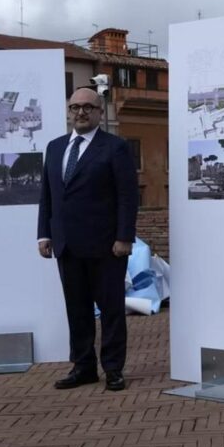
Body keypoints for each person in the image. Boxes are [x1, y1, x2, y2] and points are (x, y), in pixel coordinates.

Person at [38, 88, 138, 391]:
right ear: (69, 111)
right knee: (77, 310)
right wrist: (44, 233)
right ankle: (83, 367)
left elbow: (127, 196)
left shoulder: (115, 147)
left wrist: (124, 237)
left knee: (111, 311)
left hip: (107, 246)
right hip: (66, 244)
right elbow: (48, 195)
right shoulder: (55, 147)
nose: (80, 112)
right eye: (74, 107)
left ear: (99, 112)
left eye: (87, 107)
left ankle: (113, 369)